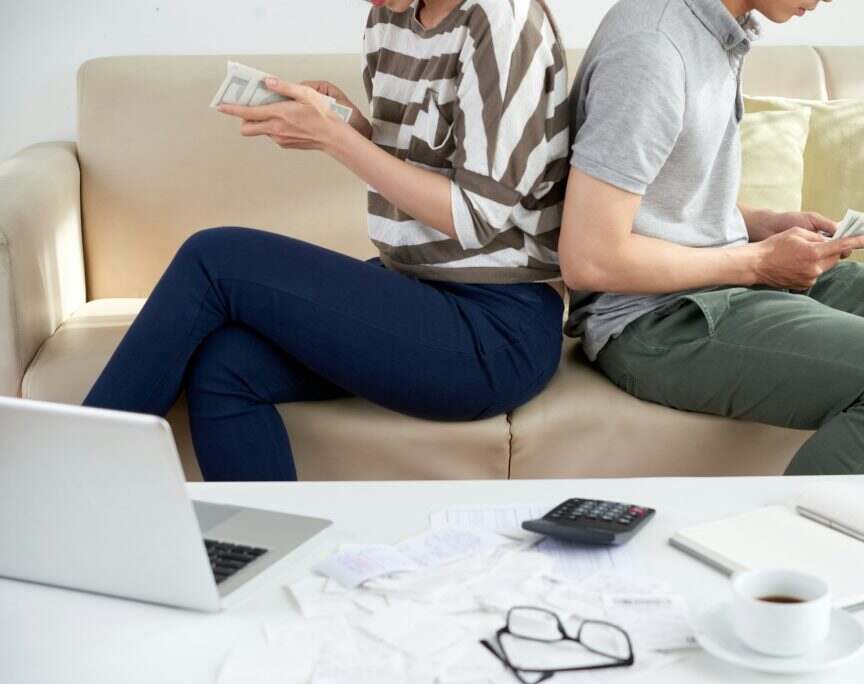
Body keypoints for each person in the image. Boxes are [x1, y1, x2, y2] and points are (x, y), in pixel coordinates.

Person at [83, 0, 570, 481]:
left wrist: (336, 140)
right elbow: (416, 165)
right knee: (225, 366)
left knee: (213, 258)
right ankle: (267, 555)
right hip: (416, 286)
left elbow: (477, 214)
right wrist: (349, 124)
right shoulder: (390, 16)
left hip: (498, 326)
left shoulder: (501, 20)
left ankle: (69, 483)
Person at [559, 0, 864, 475]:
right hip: (653, 319)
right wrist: (758, 262)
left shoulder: (716, 31)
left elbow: (658, 200)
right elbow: (591, 256)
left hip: (723, 281)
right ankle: (793, 547)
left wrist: (760, 224)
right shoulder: (652, 48)